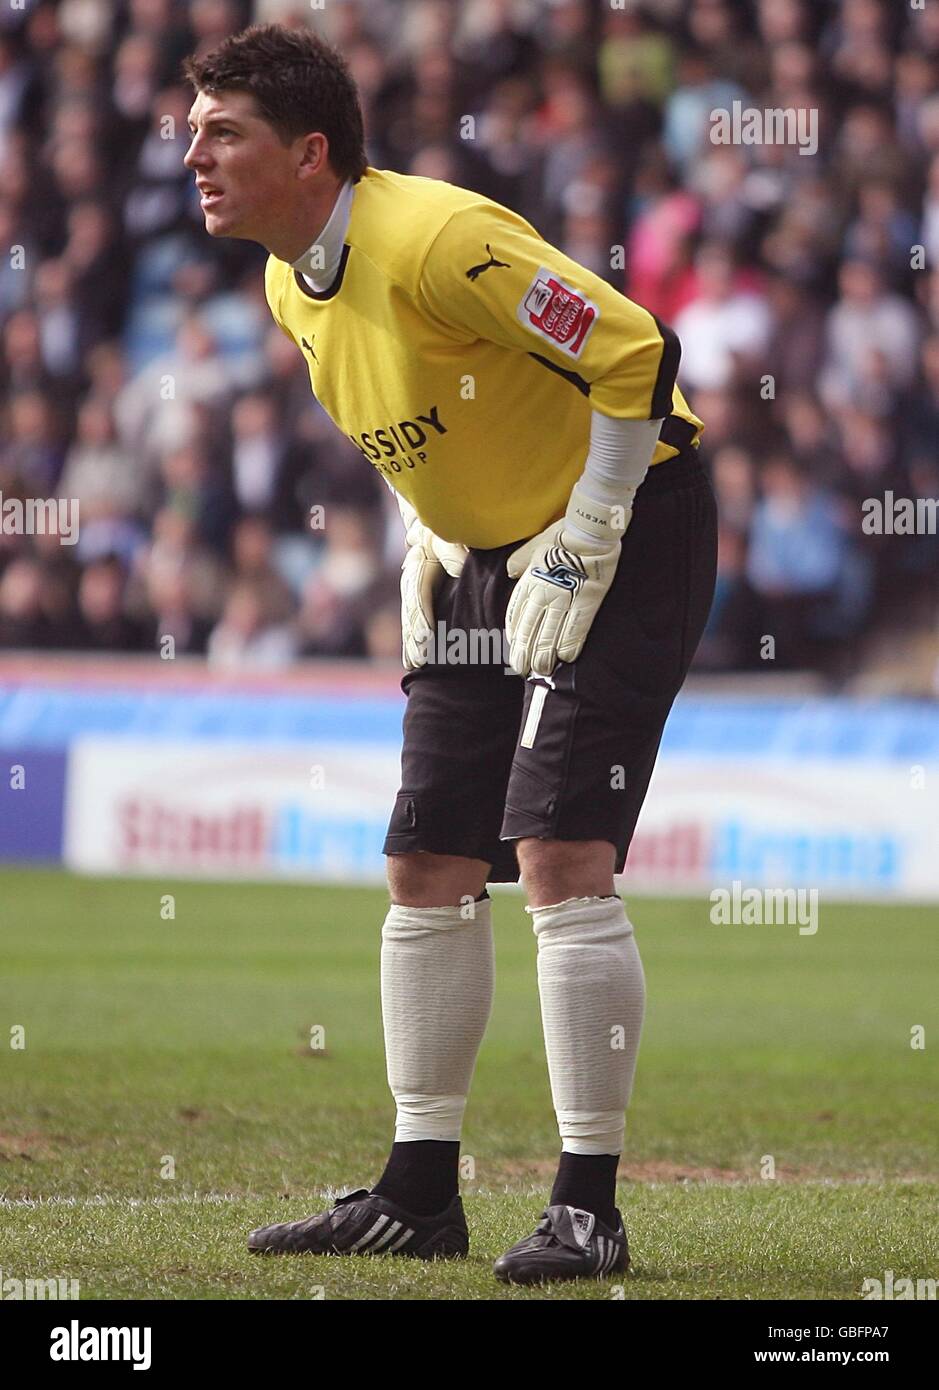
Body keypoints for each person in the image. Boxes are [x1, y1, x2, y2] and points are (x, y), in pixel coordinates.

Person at [183, 22, 717, 1285]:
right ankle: (418, 1193)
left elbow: (638, 348)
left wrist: (590, 529)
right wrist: (427, 525)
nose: (193, 155)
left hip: (626, 517)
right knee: (427, 856)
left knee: (561, 854)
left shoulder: (437, 238)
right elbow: (417, 418)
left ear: (311, 154)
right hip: (481, 556)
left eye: (223, 133)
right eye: (191, 131)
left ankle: (589, 1210)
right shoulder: (281, 280)